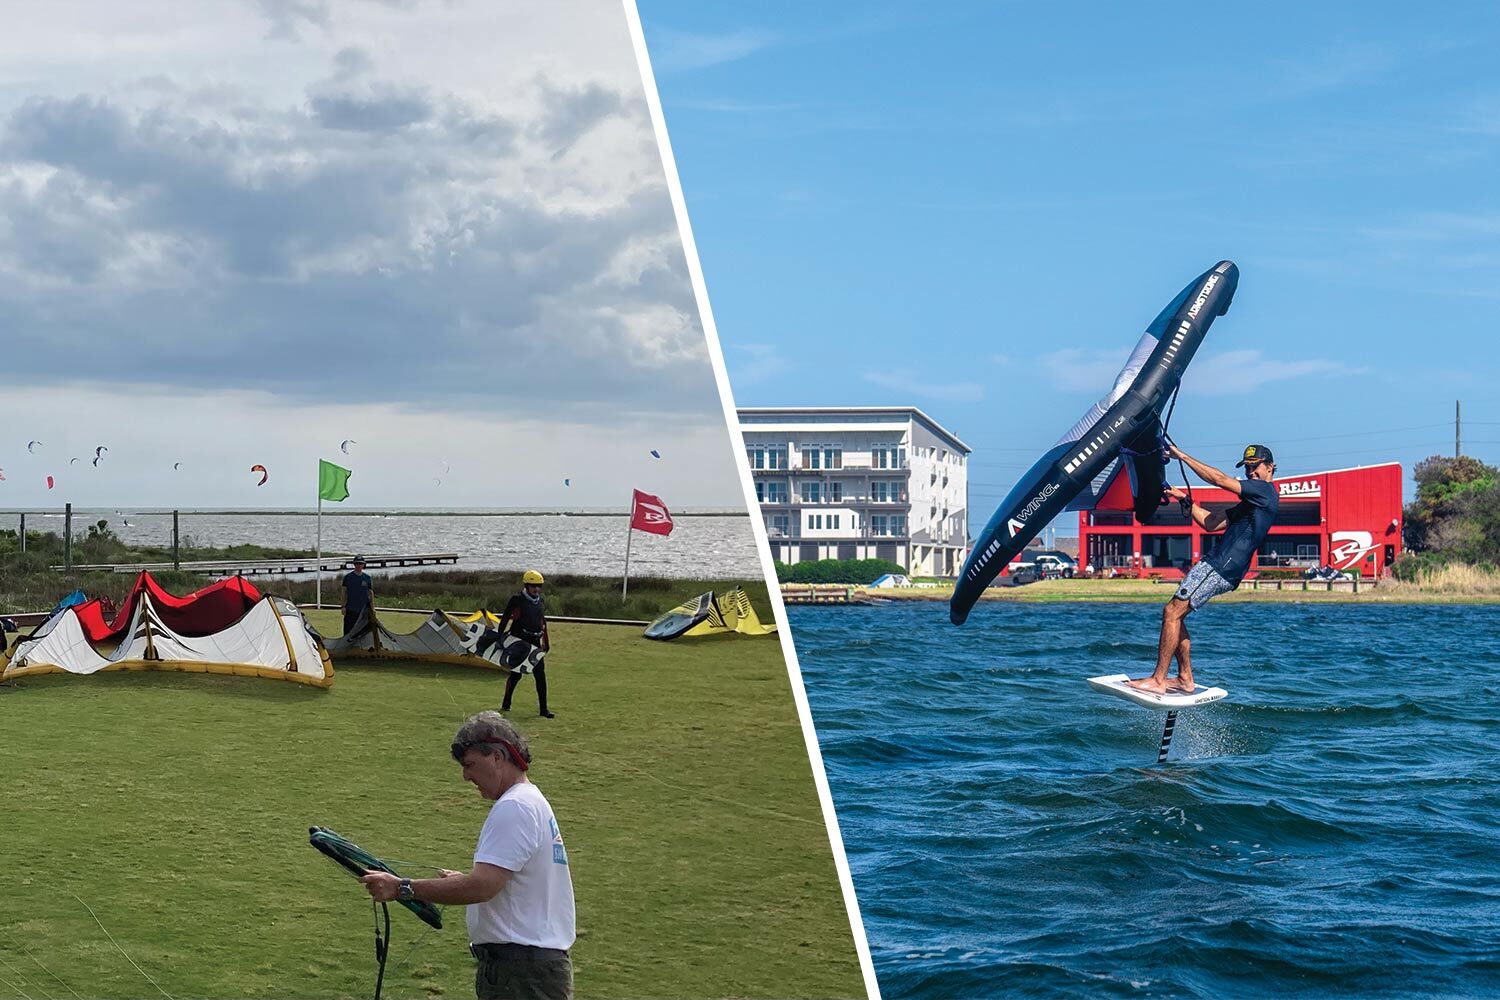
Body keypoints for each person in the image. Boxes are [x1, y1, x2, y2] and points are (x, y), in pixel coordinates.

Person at [361, 712, 575, 1000]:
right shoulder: (531, 801)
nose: (466, 776)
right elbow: (507, 882)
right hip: (529, 970)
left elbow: (483, 886)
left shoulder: (516, 808)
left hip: (521, 975)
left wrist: (401, 888)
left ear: (497, 757)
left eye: (470, 765)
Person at [1129, 443, 1280, 695]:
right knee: (1176, 615)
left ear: (1270, 467)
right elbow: (1211, 523)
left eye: (1255, 467)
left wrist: (1182, 456)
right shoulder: (1253, 502)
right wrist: (1185, 502)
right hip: (1221, 566)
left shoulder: (1264, 492)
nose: (1251, 472)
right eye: (1248, 468)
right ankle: (1185, 678)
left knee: (1171, 611)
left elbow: (1220, 479)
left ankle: (1158, 680)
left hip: (1220, 565)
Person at [500, 570, 554, 719]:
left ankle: (544, 710)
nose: (536, 589)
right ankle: (506, 703)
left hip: (535, 643)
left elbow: (542, 622)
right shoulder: (516, 599)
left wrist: (546, 641)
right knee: (516, 675)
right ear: (526, 585)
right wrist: (499, 636)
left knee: (540, 676)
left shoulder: (540, 601)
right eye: (533, 586)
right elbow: (505, 618)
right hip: (519, 642)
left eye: (539, 586)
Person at [340, 556, 374, 636]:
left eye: (361, 564)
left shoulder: (367, 578)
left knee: (363, 631)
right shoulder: (347, 578)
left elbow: (371, 593)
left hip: (364, 610)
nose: (359, 565)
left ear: (363, 565)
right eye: (357, 564)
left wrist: (373, 608)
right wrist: (343, 606)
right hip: (350, 609)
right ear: (354, 565)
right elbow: (343, 592)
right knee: (348, 631)